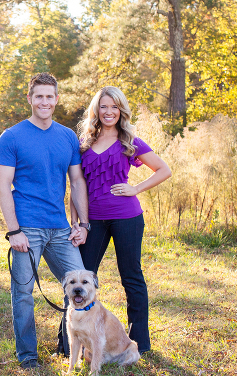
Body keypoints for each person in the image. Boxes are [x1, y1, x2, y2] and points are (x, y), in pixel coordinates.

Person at [0, 72, 90, 369]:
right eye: (39, 96)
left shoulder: (67, 137)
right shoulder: (11, 137)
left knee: (81, 287)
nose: (44, 101)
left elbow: (76, 180)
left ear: (57, 99)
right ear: (30, 99)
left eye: (50, 96)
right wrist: (14, 231)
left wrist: (83, 224)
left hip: (60, 228)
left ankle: (71, 347)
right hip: (26, 229)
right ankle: (28, 357)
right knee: (23, 293)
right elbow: (2, 186)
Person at [69, 86, 171, 354]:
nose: (109, 111)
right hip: (94, 222)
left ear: (121, 110)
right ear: (96, 110)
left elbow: (164, 169)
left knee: (131, 278)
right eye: (103, 106)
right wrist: (77, 223)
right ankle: (69, 345)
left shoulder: (130, 142)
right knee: (81, 276)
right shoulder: (84, 145)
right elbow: (76, 186)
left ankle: (140, 345)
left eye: (114, 106)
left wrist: (136, 189)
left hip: (127, 217)